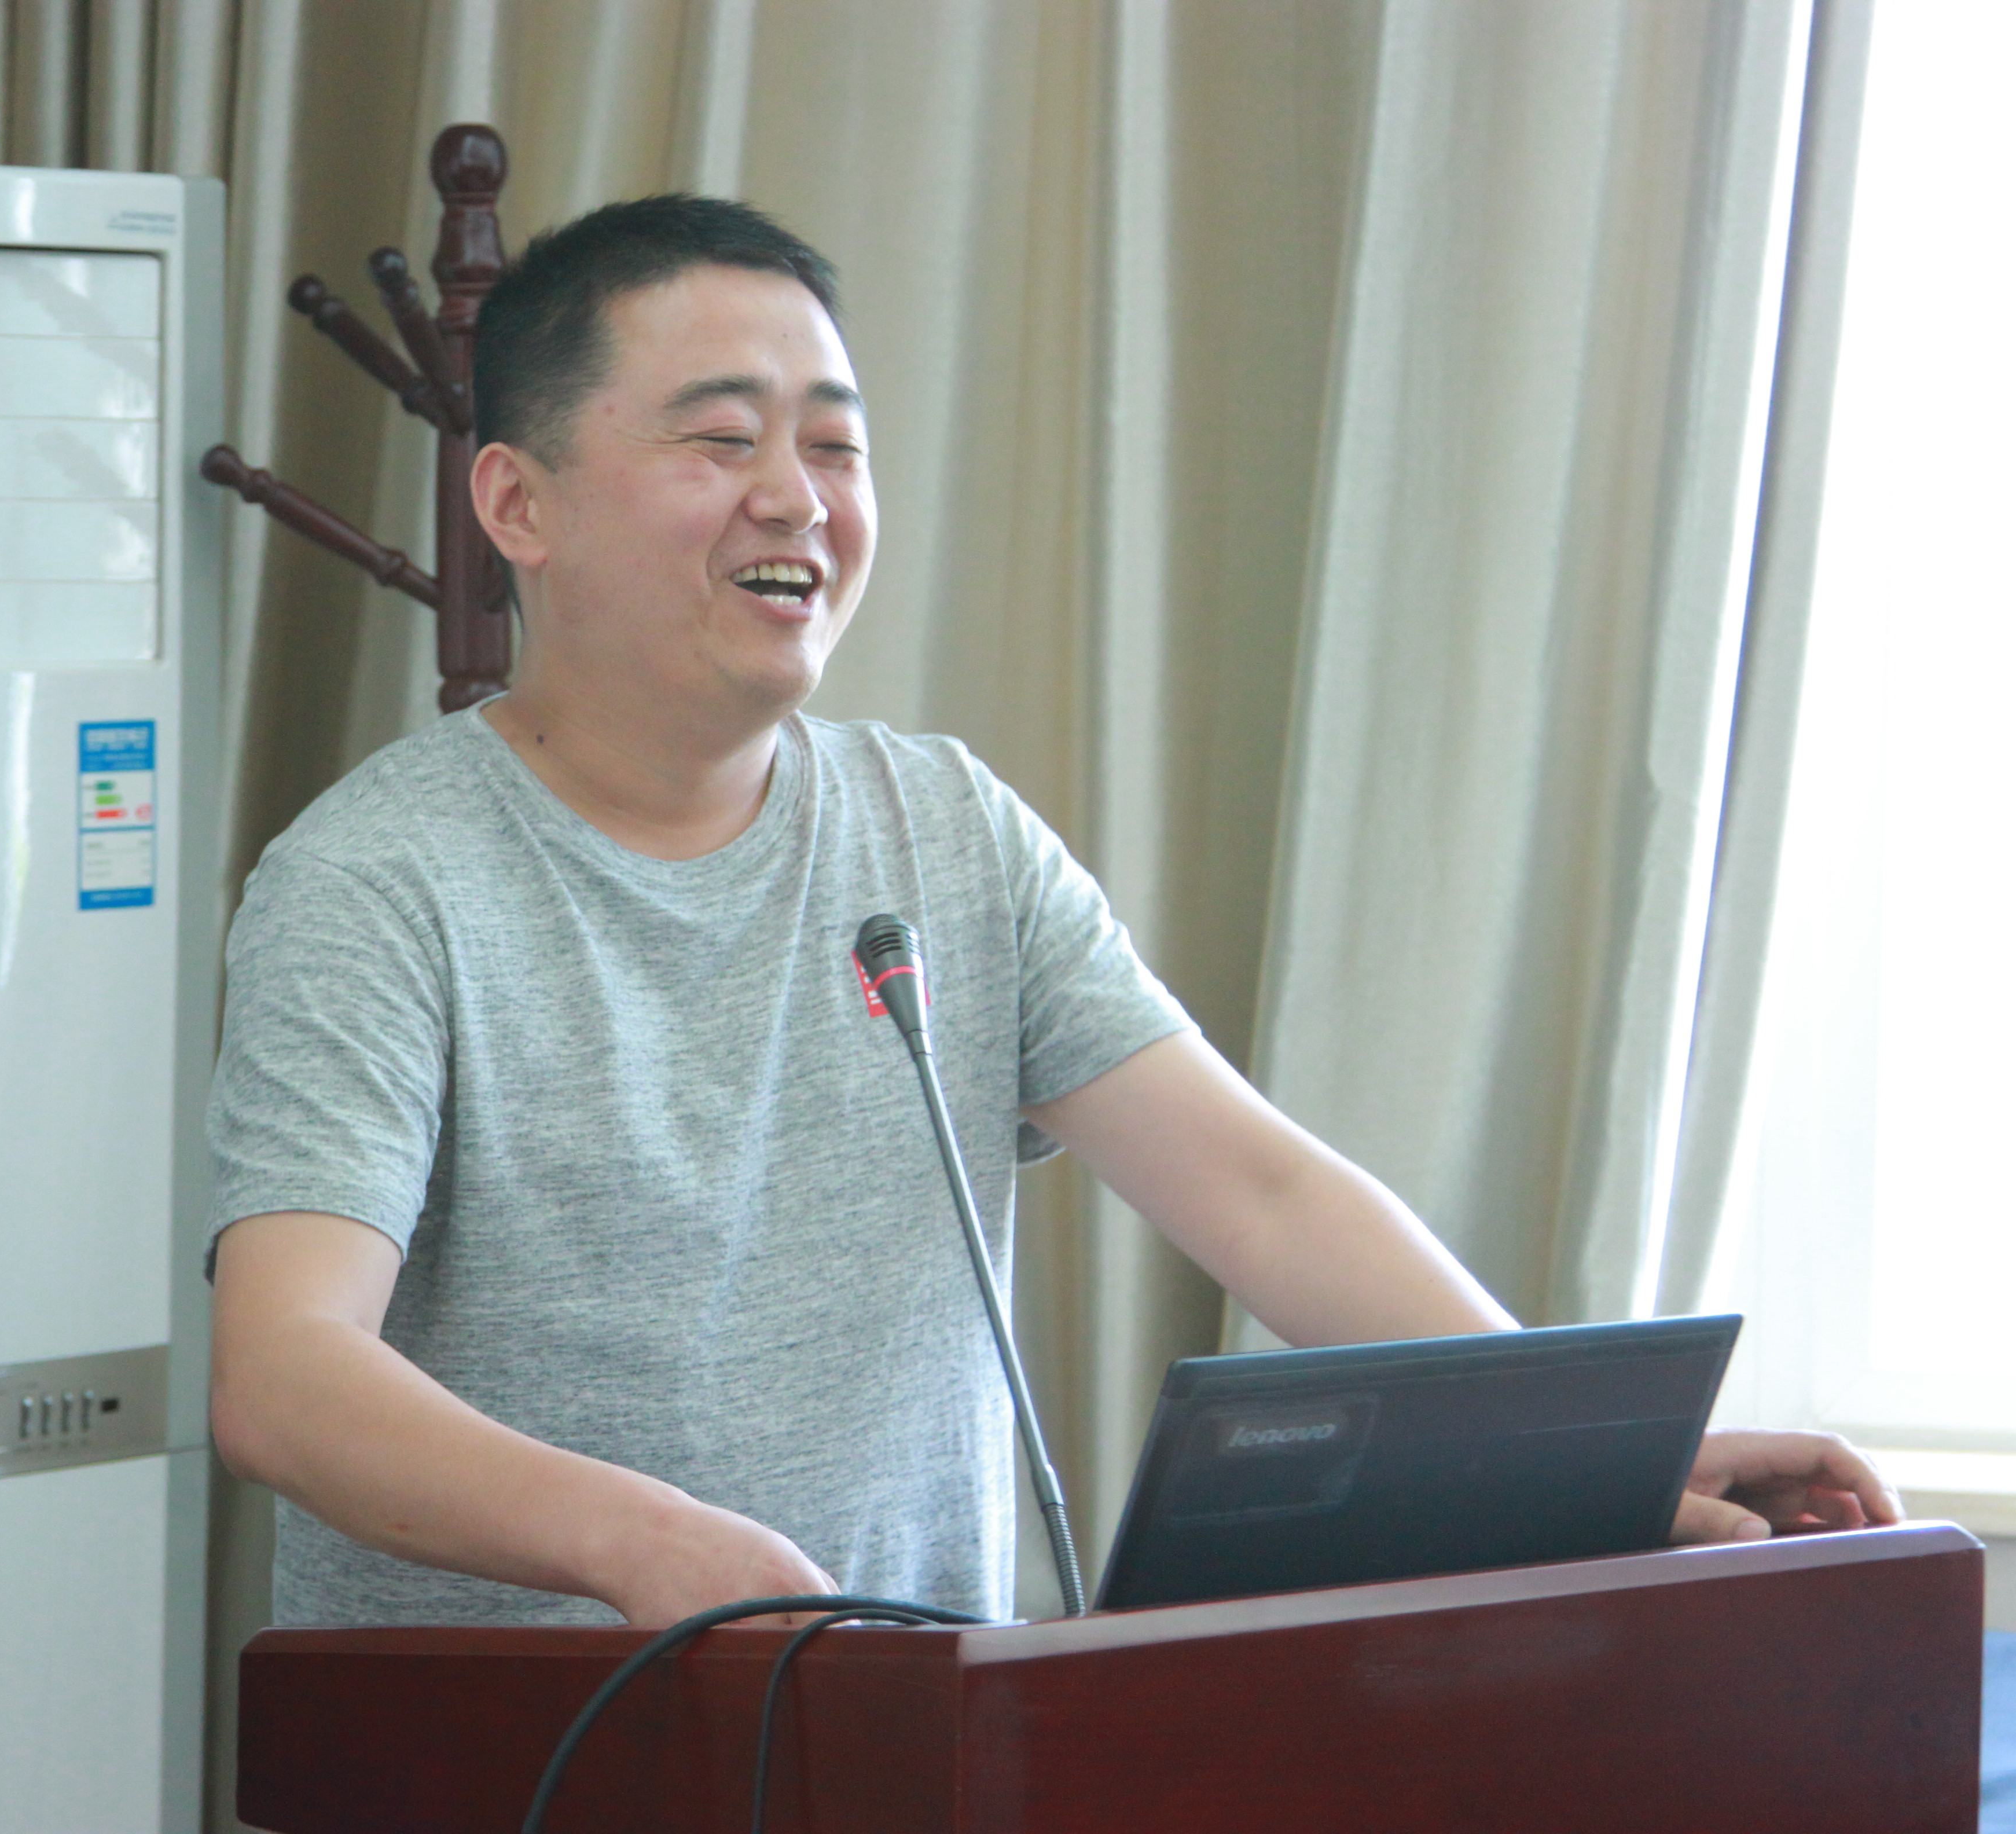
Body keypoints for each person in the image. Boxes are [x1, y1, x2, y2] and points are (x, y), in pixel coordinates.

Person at [205, 196, 1895, 1631]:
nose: (797, 497)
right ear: (520, 505)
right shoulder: (377, 882)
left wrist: (1595, 1461)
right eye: (722, 439)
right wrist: (646, 1545)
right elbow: (284, 1373)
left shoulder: (944, 830)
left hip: (905, 1730)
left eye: (836, 446)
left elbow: (1263, 1193)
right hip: (528, 1745)